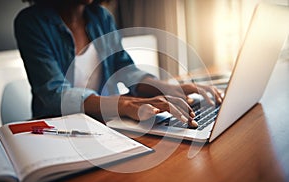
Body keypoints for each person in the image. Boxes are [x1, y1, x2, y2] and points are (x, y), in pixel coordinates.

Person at [15, 0, 222, 128]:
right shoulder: (31, 22)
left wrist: (165, 87)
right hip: (59, 128)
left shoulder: (101, 17)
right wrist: (125, 104)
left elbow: (126, 69)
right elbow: (53, 94)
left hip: (108, 123)